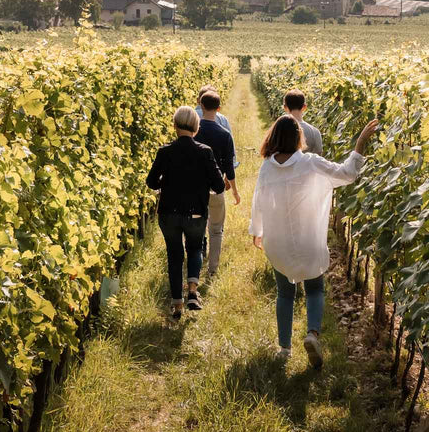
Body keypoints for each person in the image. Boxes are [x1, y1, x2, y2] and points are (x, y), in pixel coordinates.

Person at [249, 113, 379, 366]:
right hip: (308, 239)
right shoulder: (310, 163)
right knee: (315, 289)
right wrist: (360, 143)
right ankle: (312, 334)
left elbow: (258, 201)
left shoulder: (267, 167)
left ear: (273, 137)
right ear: (299, 138)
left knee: (284, 294)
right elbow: (347, 173)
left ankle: (284, 349)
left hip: (279, 242)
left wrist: (258, 230)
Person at [146, 105, 226, 318]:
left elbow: (151, 182)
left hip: (169, 213)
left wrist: (168, 180)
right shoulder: (205, 152)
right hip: (196, 212)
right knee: (195, 248)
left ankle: (177, 304)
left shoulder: (164, 152)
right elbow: (218, 186)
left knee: (174, 255)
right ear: (196, 127)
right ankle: (192, 291)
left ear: (174, 126)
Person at [194, 90, 239, 280]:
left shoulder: (193, 133)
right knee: (216, 229)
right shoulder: (224, 134)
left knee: (197, 227)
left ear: (201, 107)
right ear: (219, 109)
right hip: (216, 187)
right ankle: (212, 269)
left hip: (195, 187)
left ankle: (196, 262)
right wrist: (235, 191)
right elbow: (229, 166)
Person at [282, 89, 324, 157]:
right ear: (304, 107)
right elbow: (318, 157)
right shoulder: (315, 132)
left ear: (285, 107)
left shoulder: (278, 130)